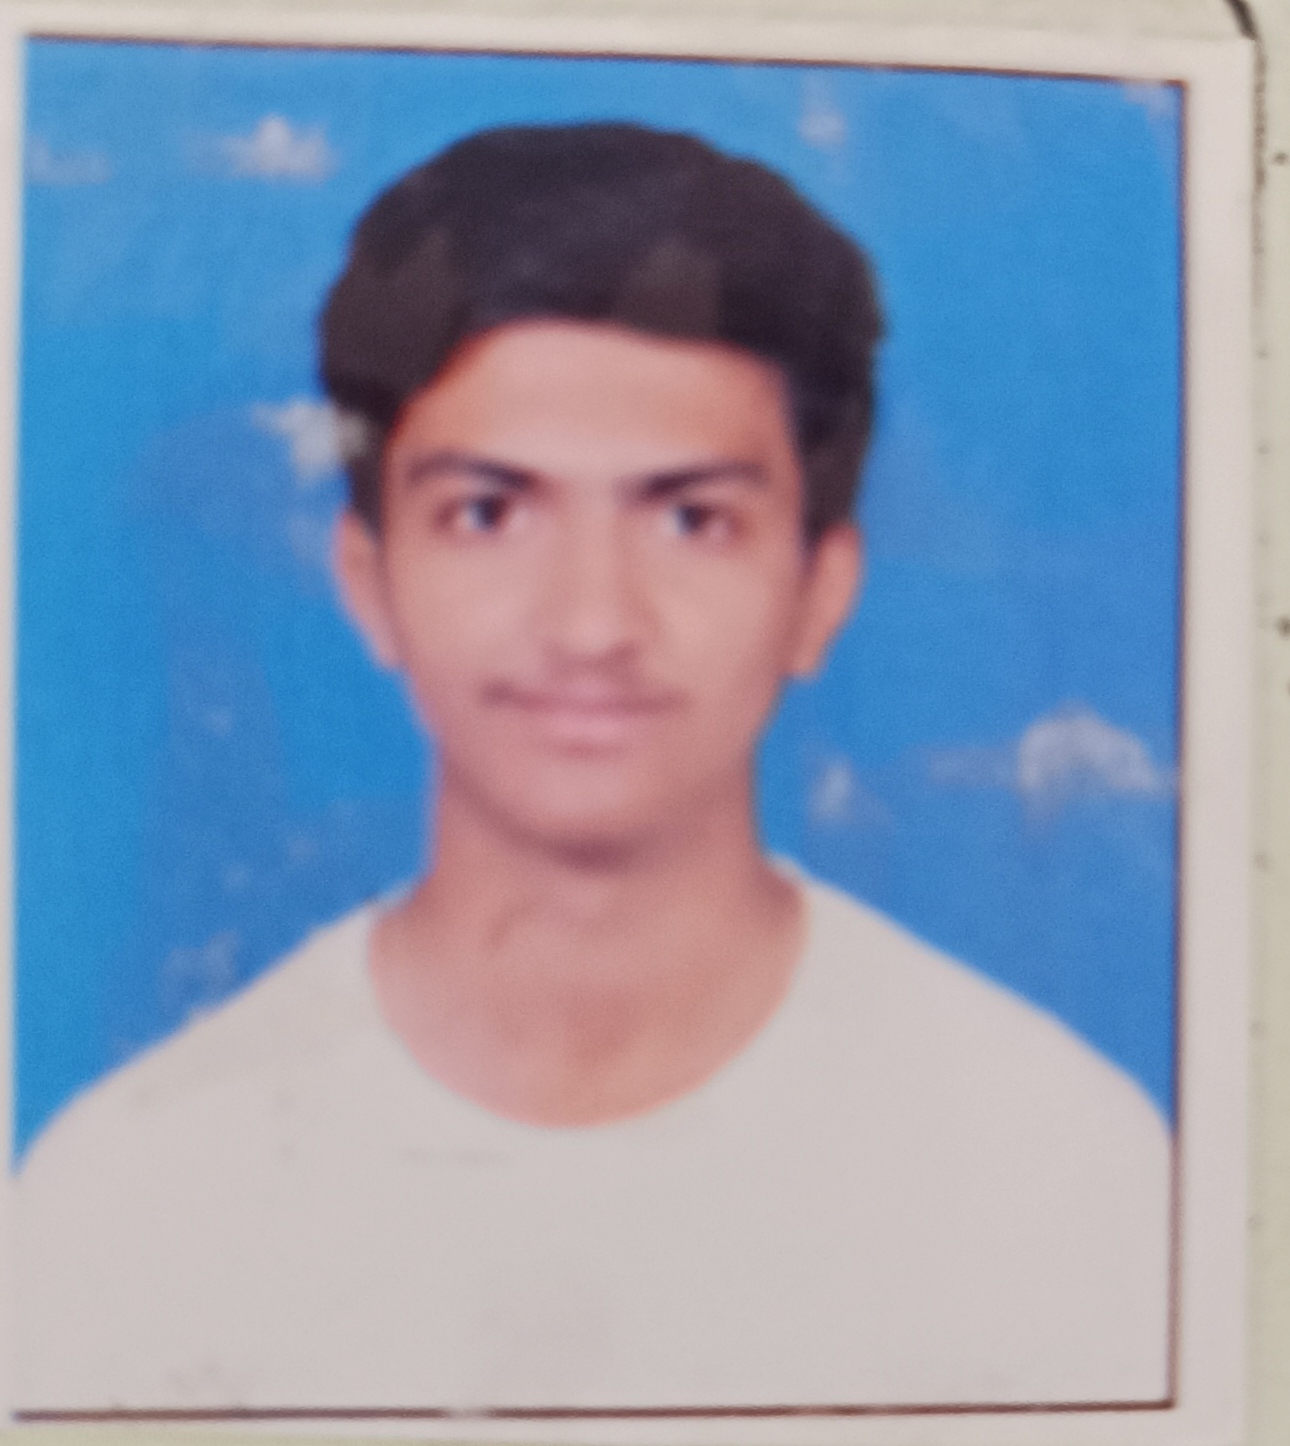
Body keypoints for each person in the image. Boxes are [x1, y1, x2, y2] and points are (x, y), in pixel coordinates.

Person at [16, 123, 1172, 1415]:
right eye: (489, 512)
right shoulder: (130, 1211)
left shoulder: (1065, 1181)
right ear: (368, 578)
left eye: (691, 518)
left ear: (819, 589)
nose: (590, 622)